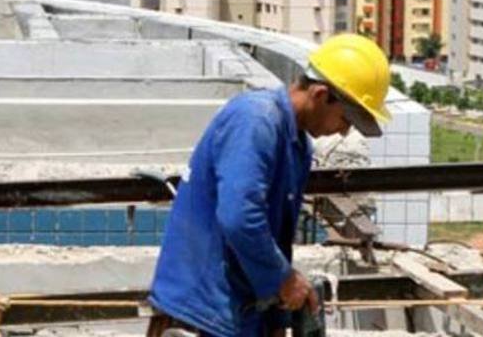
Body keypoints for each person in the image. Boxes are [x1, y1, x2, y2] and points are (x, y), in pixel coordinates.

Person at [146, 33, 391, 337]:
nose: (344, 131)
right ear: (320, 95)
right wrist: (284, 280)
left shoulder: (297, 146)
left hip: (239, 316)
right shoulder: (255, 121)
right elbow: (239, 217)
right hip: (200, 313)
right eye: (346, 118)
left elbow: (275, 237)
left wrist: (277, 321)